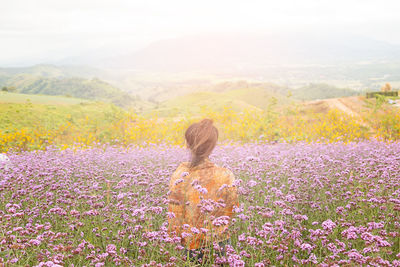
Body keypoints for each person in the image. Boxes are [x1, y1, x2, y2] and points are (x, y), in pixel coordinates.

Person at [167, 119, 239, 264]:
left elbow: (175, 215)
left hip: (191, 246)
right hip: (221, 243)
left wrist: (175, 240)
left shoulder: (180, 175)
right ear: (212, 147)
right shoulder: (225, 175)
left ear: (187, 144)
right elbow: (233, 209)